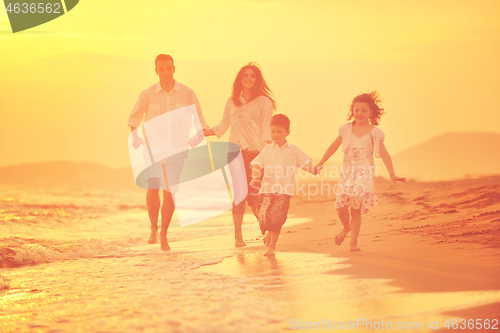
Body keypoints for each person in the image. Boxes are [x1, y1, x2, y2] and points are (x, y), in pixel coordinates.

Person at [127, 54, 209, 251]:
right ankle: (153, 228)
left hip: (178, 148)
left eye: (168, 68)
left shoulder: (187, 93)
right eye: (161, 69)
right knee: (153, 185)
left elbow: (199, 119)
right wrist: (135, 136)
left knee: (170, 191)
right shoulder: (147, 94)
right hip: (153, 147)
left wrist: (198, 137)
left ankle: (164, 233)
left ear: (174, 68)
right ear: (156, 71)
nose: (164, 72)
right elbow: (134, 117)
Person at [316, 91, 406, 252]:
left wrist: (392, 173)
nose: (359, 113)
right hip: (347, 174)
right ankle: (346, 227)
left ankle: (354, 243)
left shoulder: (374, 133)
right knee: (341, 206)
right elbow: (333, 146)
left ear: (371, 112)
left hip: (364, 175)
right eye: (356, 110)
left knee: (355, 209)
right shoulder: (345, 129)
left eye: (364, 110)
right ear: (352, 111)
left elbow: (384, 153)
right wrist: (321, 163)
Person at [203, 62, 275, 247]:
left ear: (257, 80)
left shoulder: (264, 102)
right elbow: (222, 126)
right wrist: (202, 133)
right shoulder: (232, 101)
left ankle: (265, 229)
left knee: (254, 197)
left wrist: (270, 152)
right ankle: (238, 236)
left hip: (256, 153)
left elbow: (266, 128)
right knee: (239, 196)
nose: (249, 78)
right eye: (246, 76)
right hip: (234, 153)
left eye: (252, 76)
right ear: (240, 79)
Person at [250, 114, 321, 256]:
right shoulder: (266, 150)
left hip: (284, 191)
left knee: (277, 218)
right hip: (266, 190)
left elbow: (305, 164)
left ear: (287, 132)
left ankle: (271, 248)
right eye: (273, 131)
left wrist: (314, 170)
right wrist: (255, 177)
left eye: (279, 131)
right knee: (264, 217)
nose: (275, 134)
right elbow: (257, 165)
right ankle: (268, 232)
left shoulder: (293, 150)